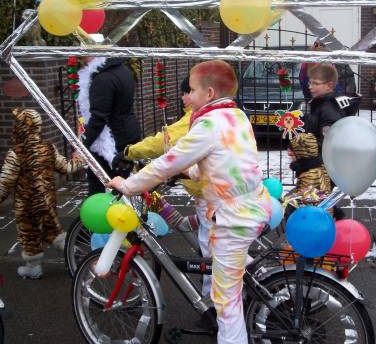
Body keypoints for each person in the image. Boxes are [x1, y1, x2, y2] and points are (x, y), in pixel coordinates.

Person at [108, 60, 272, 344]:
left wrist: (128, 185)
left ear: (209, 93)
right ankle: (260, 288)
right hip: (254, 206)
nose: (187, 96)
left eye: (192, 90)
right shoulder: (236, 116)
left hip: (234, 217)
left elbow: (166, 163)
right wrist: (191, 170)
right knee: (228, 265)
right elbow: (223, 163)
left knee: (226, 302)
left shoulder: (208, 124)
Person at [116, 77, 210, 296]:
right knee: (218, 253)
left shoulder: (197, 120)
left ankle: (214, 303)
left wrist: (129, 153)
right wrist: (185, 171)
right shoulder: (220, 116)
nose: (184, 97)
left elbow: (162, 143)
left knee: (213, 258)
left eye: (187, 92)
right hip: (220, 195)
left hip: (213, 198)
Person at [0, 108, 85, 279]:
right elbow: (66, 167)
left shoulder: (16, 153)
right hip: (47, 201)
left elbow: (6, 179)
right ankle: (73, 251)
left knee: (30, 234)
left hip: (27, 205)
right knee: (53, 230)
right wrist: (80, 160)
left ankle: (33, 267)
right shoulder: (48, 148)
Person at [78, 57, 141, 195]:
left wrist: (82, 145)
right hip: (127, 133)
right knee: (123, 186)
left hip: (110, 141)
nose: (80, 56)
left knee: (101, 187)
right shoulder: (123, 69)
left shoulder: (103, 78)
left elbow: (98, 118)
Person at [302, 63, 347, 220]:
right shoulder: (318, 104)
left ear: (329, 86)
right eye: (309, 82)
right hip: (317, 167)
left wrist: (305, 155)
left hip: (322, 169)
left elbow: (328, 143)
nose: (310, 86)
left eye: (315, 83)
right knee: (319, 204)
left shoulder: (329, 109)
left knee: (320, 207)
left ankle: (331, 227)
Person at [283, 133, 332, 219]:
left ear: (302, 152)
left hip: (313, 221)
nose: (289, 154)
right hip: (322, 218)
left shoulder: (310, 175)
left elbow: (307, 204)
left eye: (293, 150)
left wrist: (286, 202)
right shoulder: (317, 167)